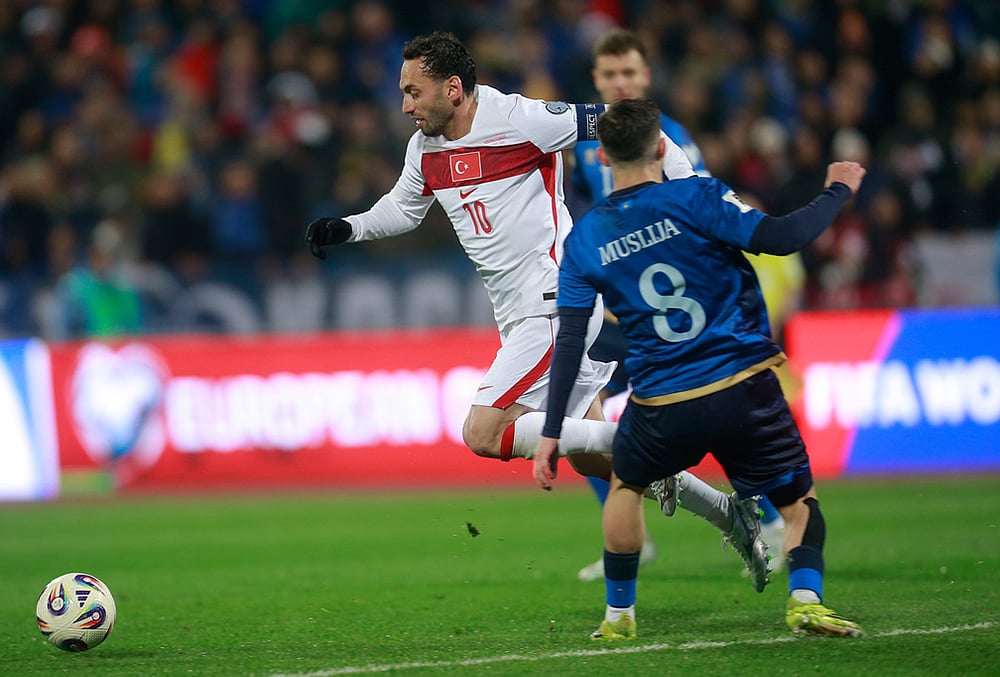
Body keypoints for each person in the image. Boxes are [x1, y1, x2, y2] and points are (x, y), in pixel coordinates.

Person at [305, 32, 767, 582]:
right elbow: (404, 210)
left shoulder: (522, 120)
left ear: (452, 89)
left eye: (413, 91)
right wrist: (346, 228)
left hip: (553, 305)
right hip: (519, 316)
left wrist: (690, 192)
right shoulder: (424, 149)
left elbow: (631, 122)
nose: (404, 105)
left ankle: (662, 441)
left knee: (482, 431)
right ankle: (729, 515)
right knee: (597, 457)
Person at [533, 98, 866, 640]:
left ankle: (619, 617)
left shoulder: (585, 237)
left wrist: (551, 432)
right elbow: (782, 239)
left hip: (662, 402)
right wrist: (838, 190)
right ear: (663, 148)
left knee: (625, 486)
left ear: (601, 159)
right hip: (742, 387)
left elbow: (570, 338)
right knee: (798, 501)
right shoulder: (698, 196)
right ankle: (805, 600)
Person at [569, 28, 784, 582]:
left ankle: (768, 511)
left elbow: (707, 216)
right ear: (596, 80)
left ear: (645, 78)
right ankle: (633, 539)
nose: (619, 82)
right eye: (610, 75)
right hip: (628, 310)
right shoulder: (581, 143)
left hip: (677, 313)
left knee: (699, 409)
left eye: (628, 74)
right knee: (581, 414)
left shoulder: (672, 140)